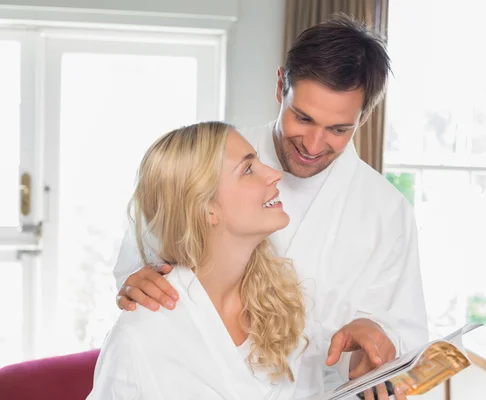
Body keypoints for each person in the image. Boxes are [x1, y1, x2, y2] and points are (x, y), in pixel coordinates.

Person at [113, 15, 428, 400]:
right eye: (303, 117)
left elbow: (404, 338)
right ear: (281, 86)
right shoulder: (213, 161)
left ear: (364, 117)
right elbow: (142, 266)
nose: (312, 145)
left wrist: (379, 341)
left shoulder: (386, 212)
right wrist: (137, 280)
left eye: (338, 129)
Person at [88, 122, 308, 400]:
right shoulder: (140, 338)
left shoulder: (279, 303)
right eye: (248, 169)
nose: (275, 175)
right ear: (207, 209)